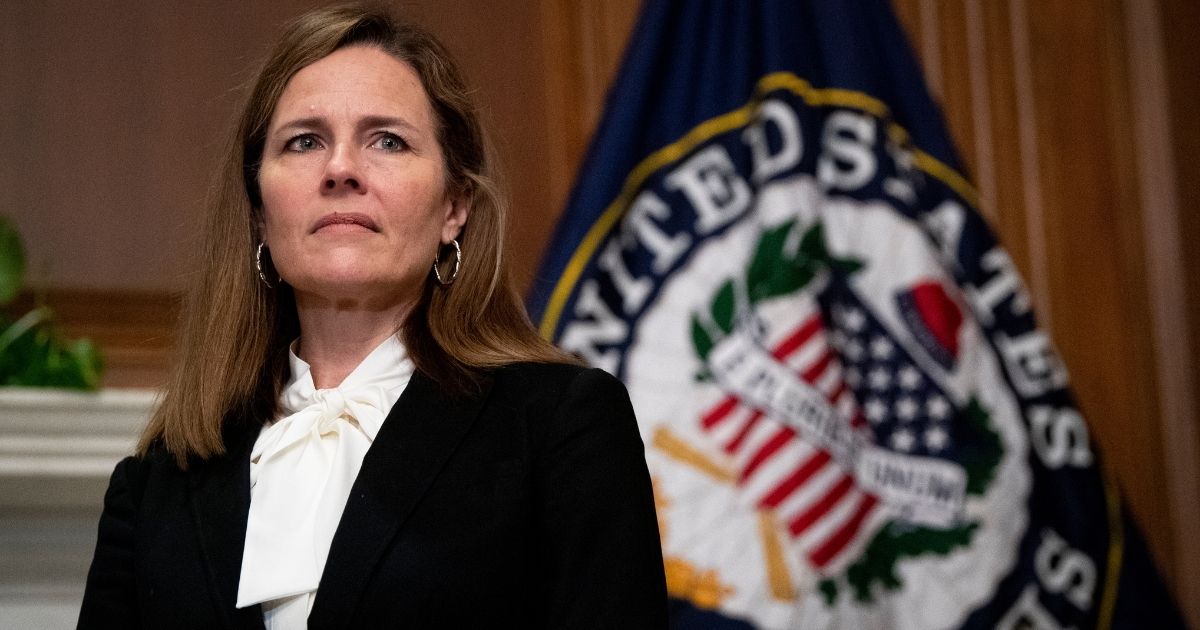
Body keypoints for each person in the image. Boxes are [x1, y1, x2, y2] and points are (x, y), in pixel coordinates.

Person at [77, 5, 667, 628]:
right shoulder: (159, 479)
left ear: (454, 208)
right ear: (257, 209)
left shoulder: (560, 427)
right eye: (304, 141)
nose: (340, 170)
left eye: (387, 140)